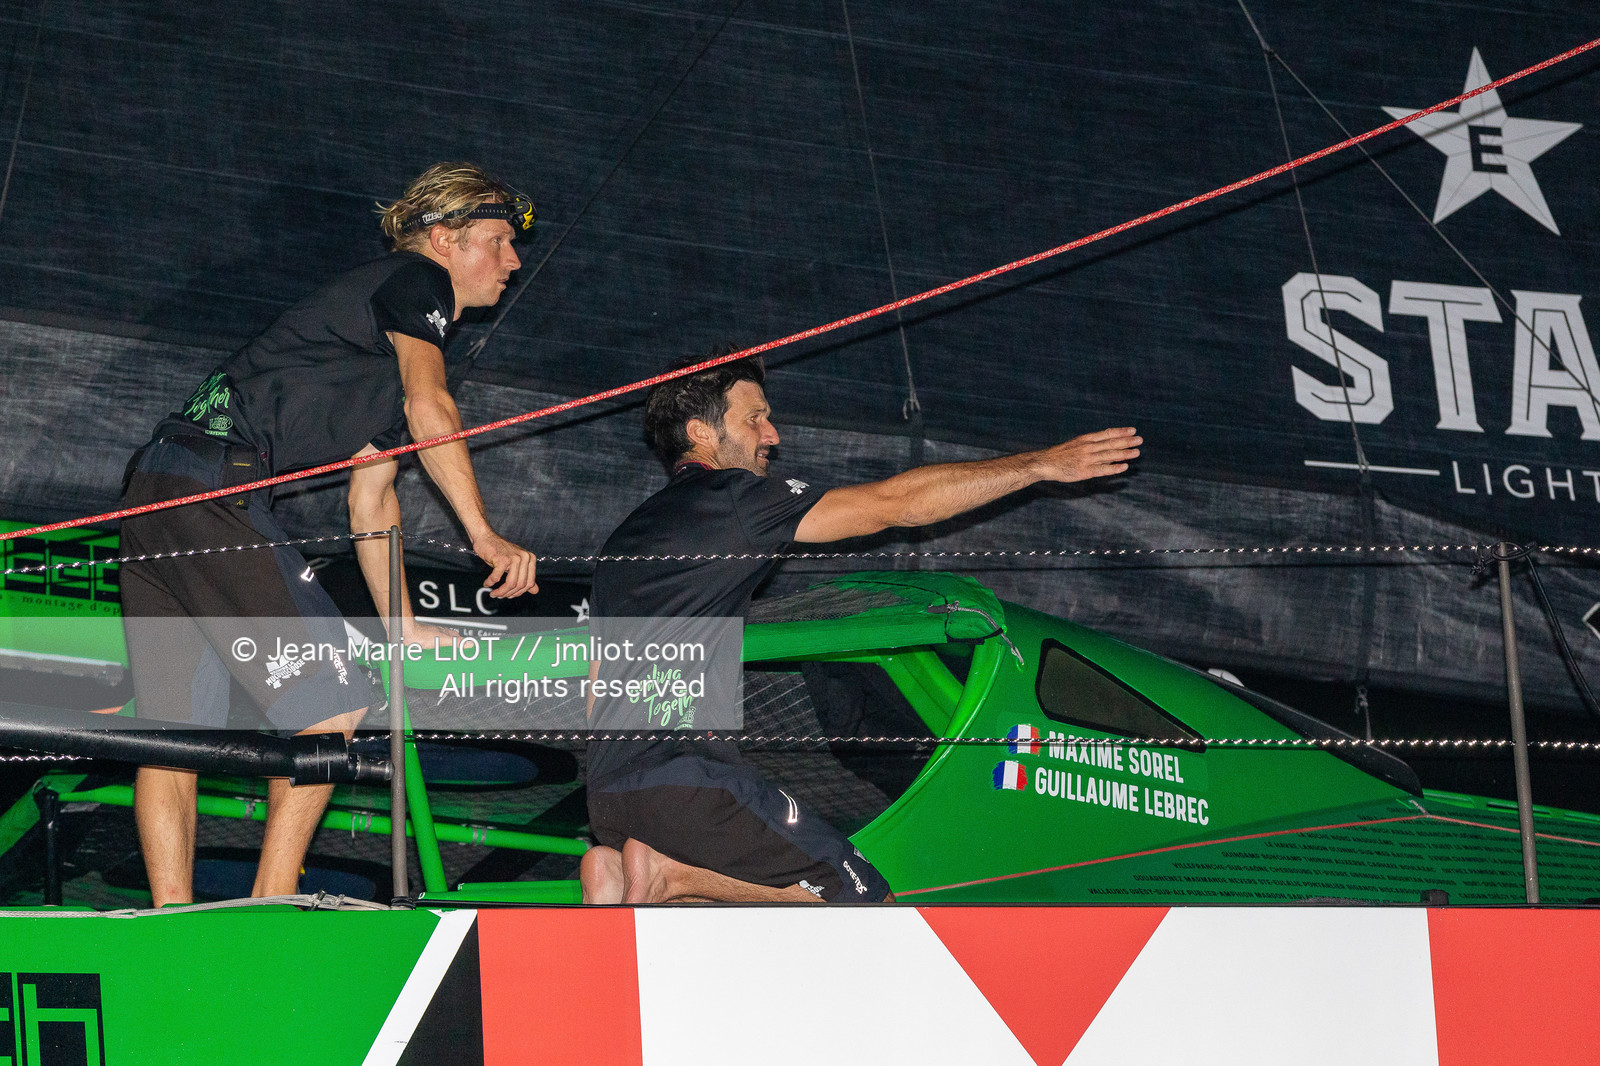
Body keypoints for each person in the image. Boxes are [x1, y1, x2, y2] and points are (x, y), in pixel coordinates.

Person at [120, 162, 540, 906]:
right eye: (499, 240)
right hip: (212, 491)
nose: (513, 260)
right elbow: (429, 407)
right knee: (333, 704)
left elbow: (372, 498)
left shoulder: (382, 339)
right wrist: (484, 535)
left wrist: (402, 623)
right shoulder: (417, 283)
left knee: (173, 733)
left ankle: (170, 924)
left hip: (159, 484)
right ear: (443, 239)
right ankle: (275, 909)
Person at [578, 348, 1140, 904]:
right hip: (686, 783)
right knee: (866, 904)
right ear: (701, 432)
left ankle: (642, 881)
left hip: (611, 797)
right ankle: (672, 877)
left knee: (719, 909)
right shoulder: (731, 500)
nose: (771, 435)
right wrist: (1040, 466)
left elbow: (597, 675)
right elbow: (896, 503)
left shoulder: (626, 538)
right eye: (754, 419)